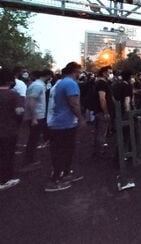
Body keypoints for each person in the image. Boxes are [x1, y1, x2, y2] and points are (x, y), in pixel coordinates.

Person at [46, 62, 85, 192]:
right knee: (62, 152)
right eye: (79, 71)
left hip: (58, 122)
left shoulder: (60, 83)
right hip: (64, 124)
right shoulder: (70, 84)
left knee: (64, 151)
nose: (80, 74)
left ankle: (66, 174)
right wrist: (81, 118)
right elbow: (74, 104)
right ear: (75, 71)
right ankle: (54, 180)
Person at [21, 69, 53, 171]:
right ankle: (28, 162)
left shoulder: (37, 85)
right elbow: (31, 101)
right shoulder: (38, 86)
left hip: (36, 116)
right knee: (33, 139)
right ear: (47, 76)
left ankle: (30, 160)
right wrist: (34, 117)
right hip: (36, 116)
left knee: (33, 139)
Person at [0, 69, 24, 191]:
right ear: (10, 81)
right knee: (7, 155)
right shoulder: (14, 95)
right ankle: (5, 179)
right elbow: (19, 112)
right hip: (9, 130)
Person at [93, 66, 114, 156]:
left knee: (99, 131)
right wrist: (106, 112)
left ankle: (98, 150)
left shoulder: (101, 82)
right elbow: (102, 99)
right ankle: (99, 152)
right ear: (104, 73)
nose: (111, 74)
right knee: (101, 132)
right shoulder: (101, 83)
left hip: (99, 111)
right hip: (102, 112)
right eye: (110, 72)